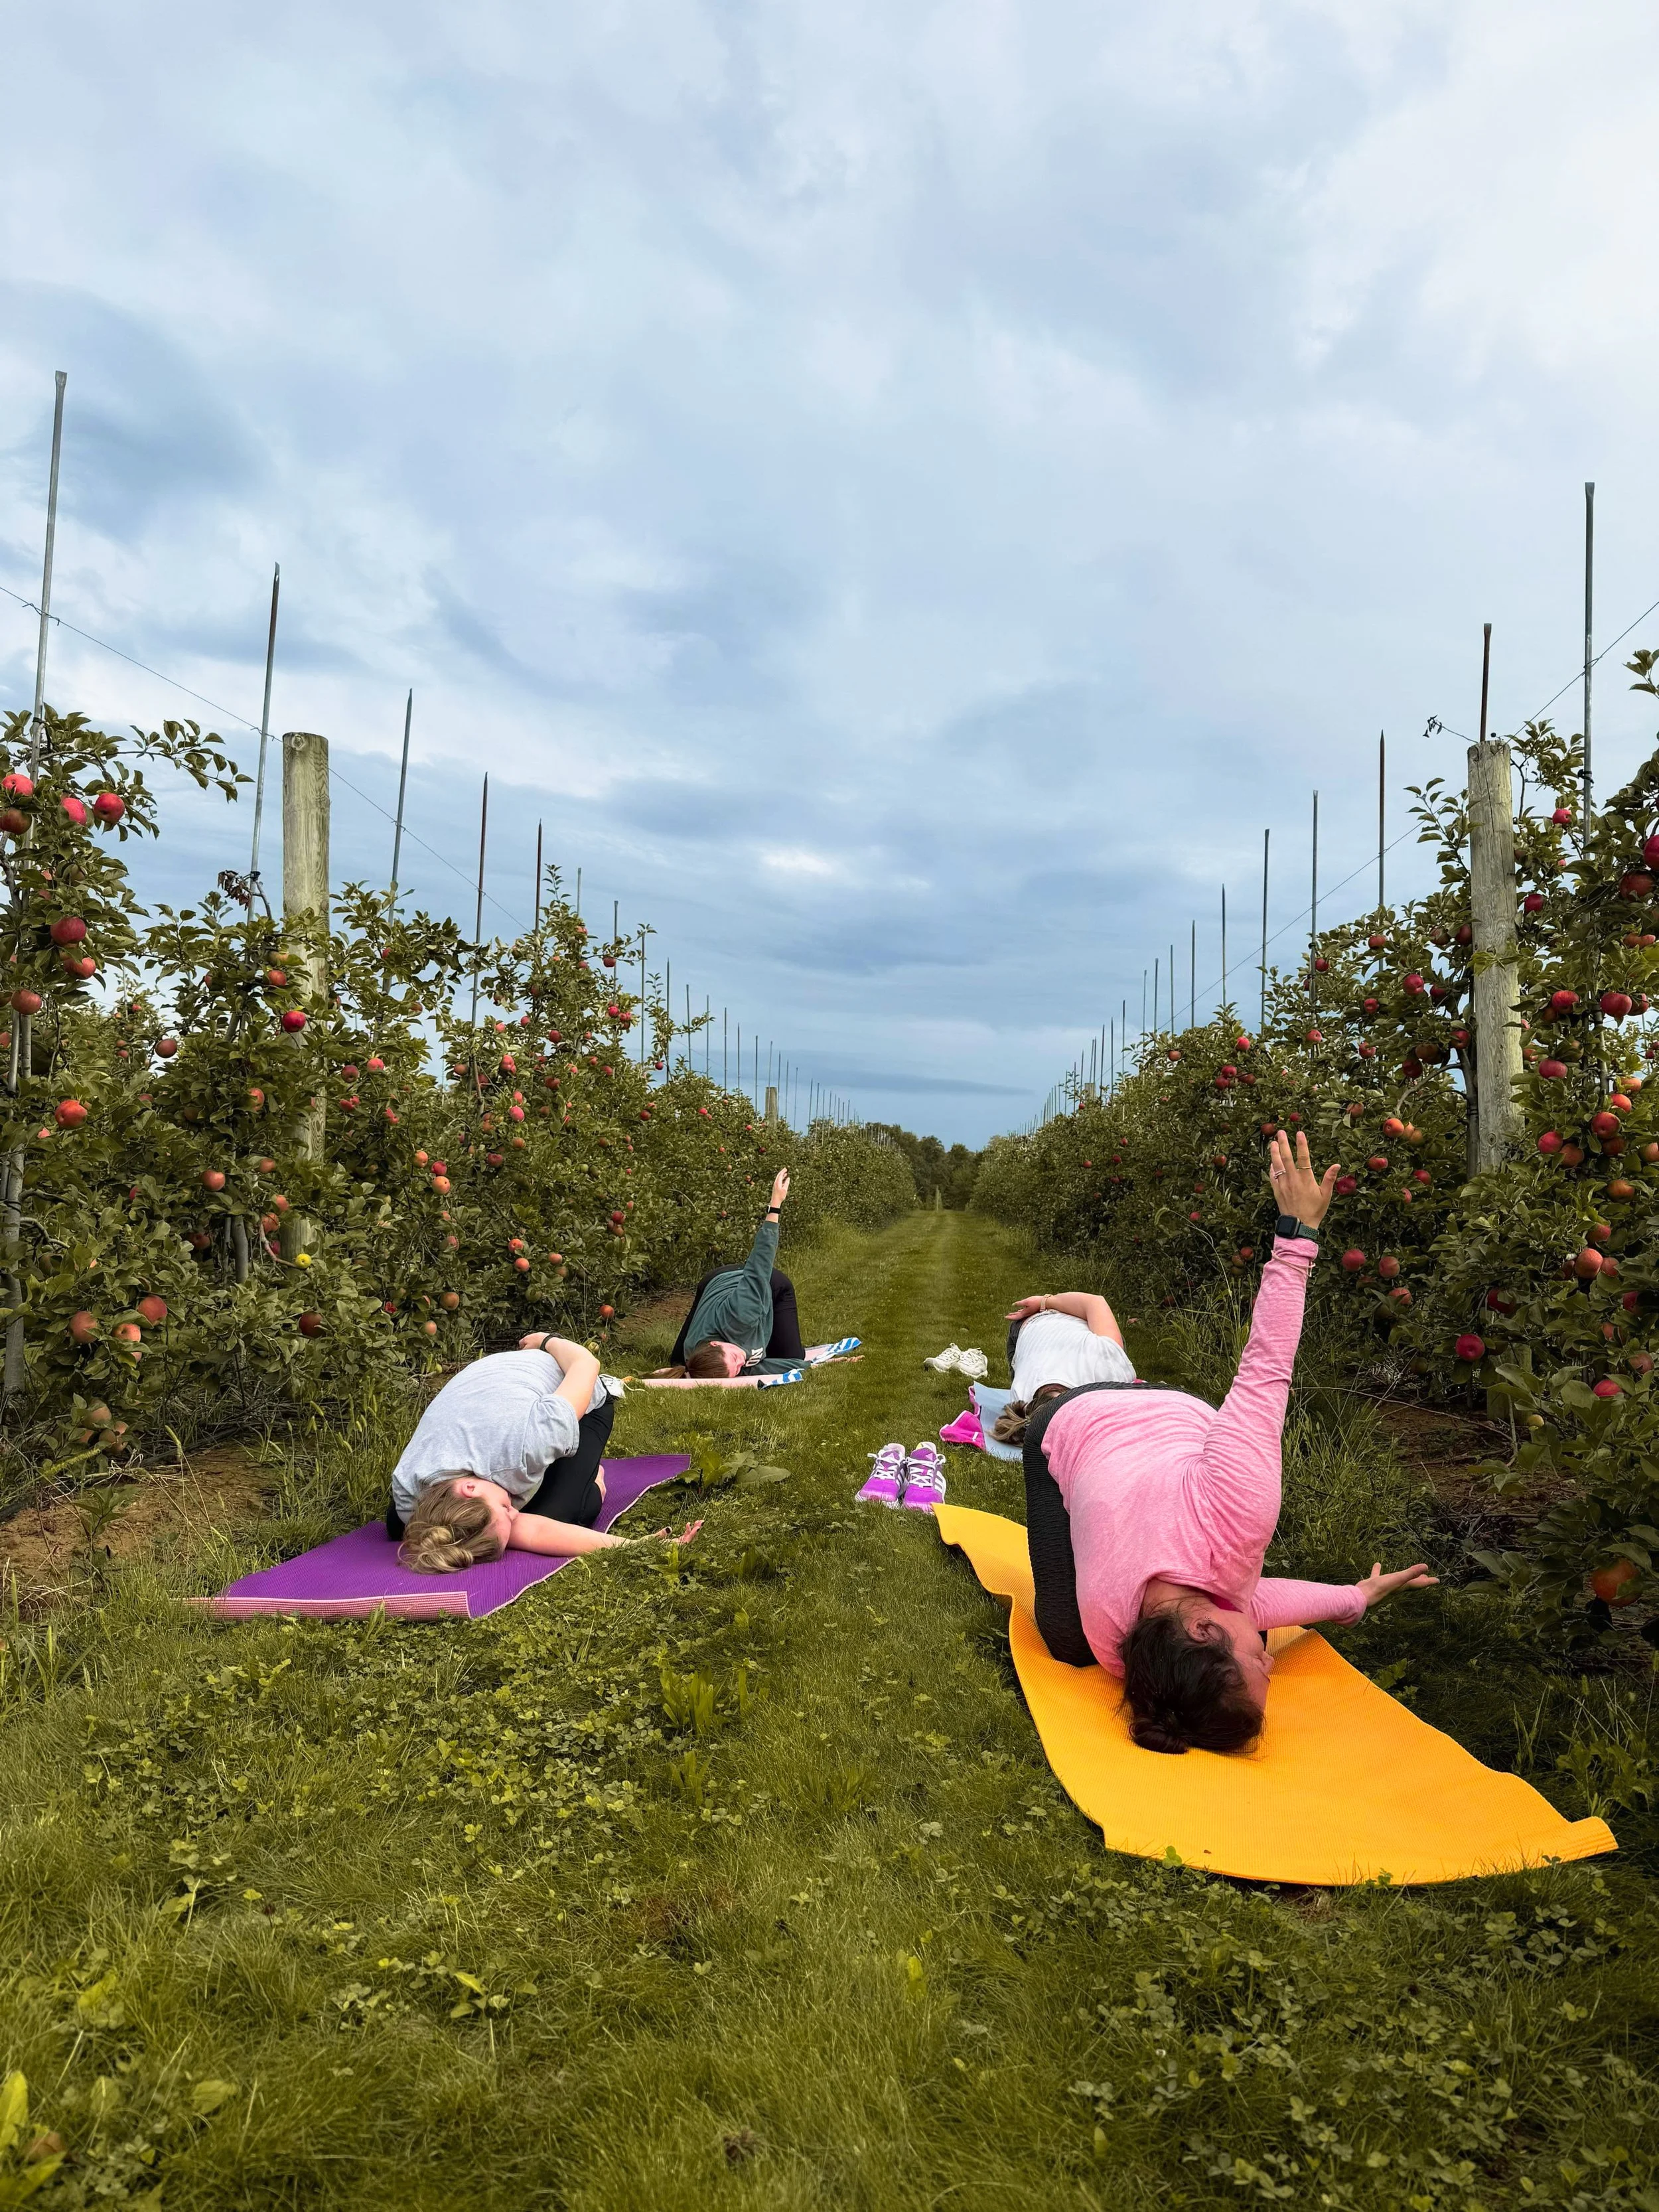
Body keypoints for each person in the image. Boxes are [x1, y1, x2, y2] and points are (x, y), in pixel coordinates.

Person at [1022, 1128, 1436, 1755]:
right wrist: (1352, 1598)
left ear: (1201, 1626)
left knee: (1062, 1640)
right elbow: (1257, 1602)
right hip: (1137, 1437)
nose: (1270, 1663)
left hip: (1077, 1423)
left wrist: (1298, 1237)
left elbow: (1266, 1370)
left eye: (1257, 1665)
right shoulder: (1132, 1651)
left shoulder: (1113, 1630)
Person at [390, 1331, 698, 1574]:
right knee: (400, 1527)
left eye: (504, 1509)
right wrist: (635, 1545)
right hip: (492, 1387)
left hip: (569, 1384)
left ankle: (596, 1474)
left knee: (568, 1512)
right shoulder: (410, 1501)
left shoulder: (526, 1446)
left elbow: (586, 1364)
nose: (515, 1513)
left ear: (469, 1488)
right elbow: (524, 1529)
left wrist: (546, 1341)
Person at [660, 1169, 804, 1378]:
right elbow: (755, 1368)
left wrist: (775, 1204)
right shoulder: (696, 1356)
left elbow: (759, 1265)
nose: (741, 1364)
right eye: (737, 1370)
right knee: (679, 1363)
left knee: (793, 1355)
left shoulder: (743, 1314)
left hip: (766, 1283)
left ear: (716, 1343)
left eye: (736, 1361)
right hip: (716, 1290)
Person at [990, 1290, 1137, 1445]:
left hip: (1047, 1321)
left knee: (1115, 1346)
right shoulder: (1110, 1372)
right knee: (1115, 1347)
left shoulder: (1106, 1360)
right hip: (1035, 1326)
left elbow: (1095, 1302)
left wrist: (1044, 1302)